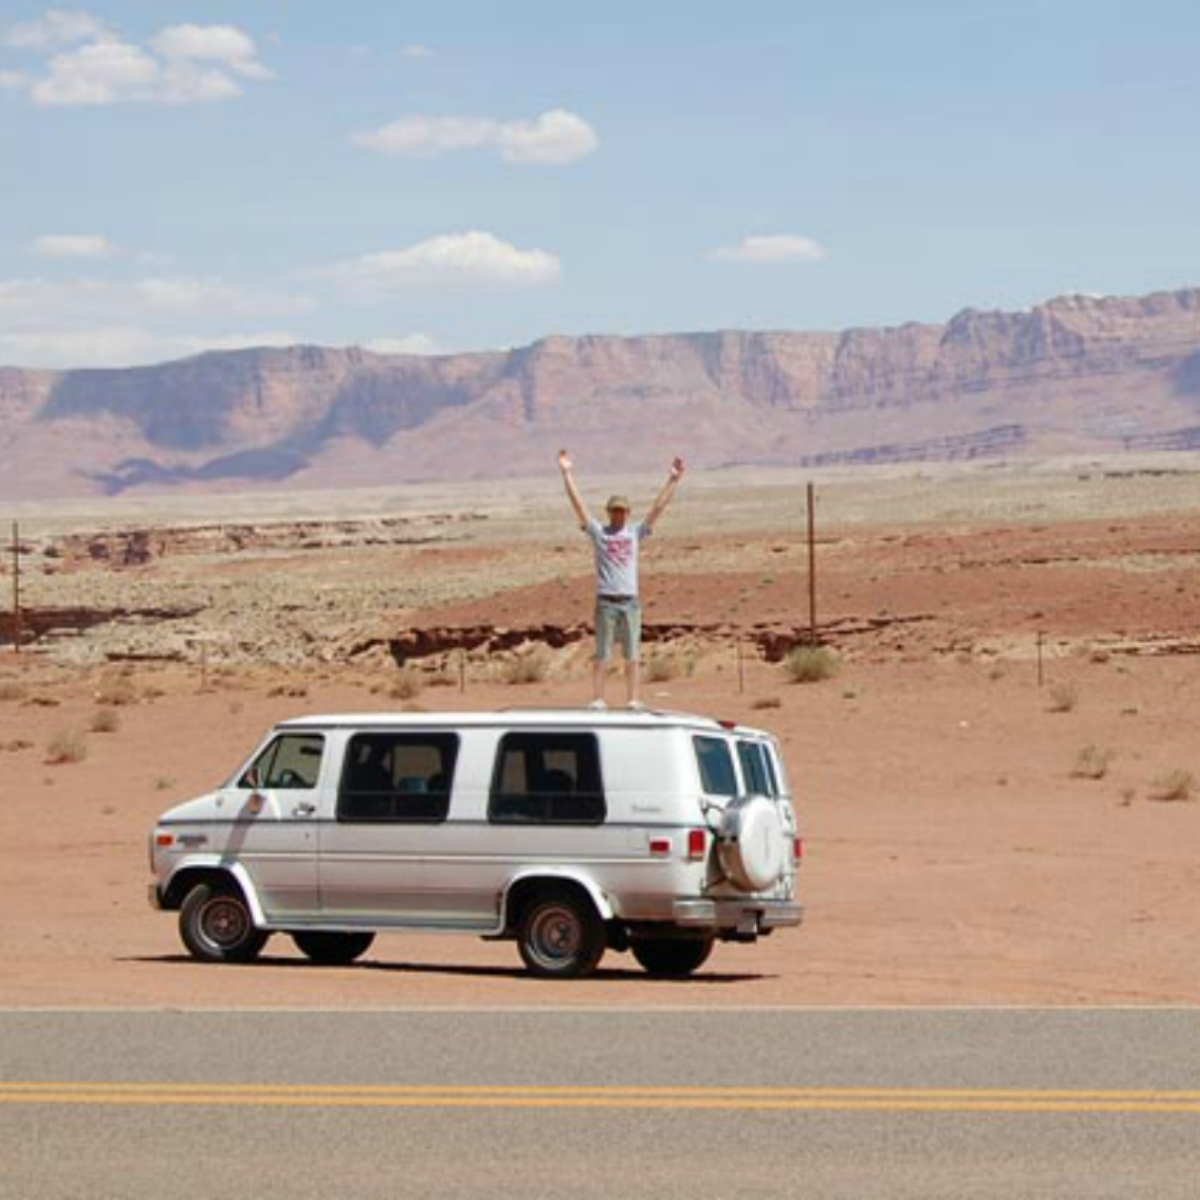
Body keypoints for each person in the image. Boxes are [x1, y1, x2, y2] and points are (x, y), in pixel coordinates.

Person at [558, 449, 686, 709]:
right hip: (606, 602)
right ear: (609, 512)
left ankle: (633, 699)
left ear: (628, 513)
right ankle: (598, 698)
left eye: (623, 511)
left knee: (633, 655)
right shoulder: (599, 533)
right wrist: (567, 473)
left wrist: (673, 480)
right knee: (602, 654)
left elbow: (657, 508)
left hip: (630, 603)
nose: (619, 514)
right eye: (615, 510)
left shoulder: (635, 533)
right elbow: (578, 505)